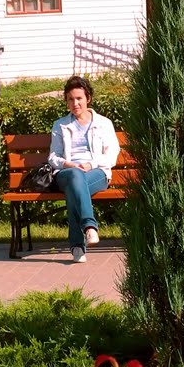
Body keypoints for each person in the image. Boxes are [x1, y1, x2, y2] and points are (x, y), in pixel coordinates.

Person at [48, 75, 120, 263]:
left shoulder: (104, 123)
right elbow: (53, 157)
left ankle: (78, 246)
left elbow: (112, 154)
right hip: (67, 172)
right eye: (70, 99)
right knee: (74, 176)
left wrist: (92, 164)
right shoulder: (60, 125)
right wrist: (68, 164)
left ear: (88, 98)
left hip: (96, 172)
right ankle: (90, 226)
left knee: (75, 187)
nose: (75, 103)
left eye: (79, 98)